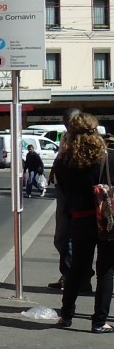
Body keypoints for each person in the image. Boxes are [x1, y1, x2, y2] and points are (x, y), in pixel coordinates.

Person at [52, 111, 114, 333]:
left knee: (77, 268)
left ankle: (66, 316)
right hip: (106, 220)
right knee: (106, 269)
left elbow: (63, 192)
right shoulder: (108, 158)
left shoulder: (63, 162)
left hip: (79, 220)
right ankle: (99, 322)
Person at [47, 107, 82, 289]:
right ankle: (69, 275)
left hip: (73, 194)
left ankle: (73, 276)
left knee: (65, 237)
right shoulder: (66, 137)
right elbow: (60, 158)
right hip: (64, 191)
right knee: (64, 238)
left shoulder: (81, 140)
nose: (67, 126)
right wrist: (54, 171)